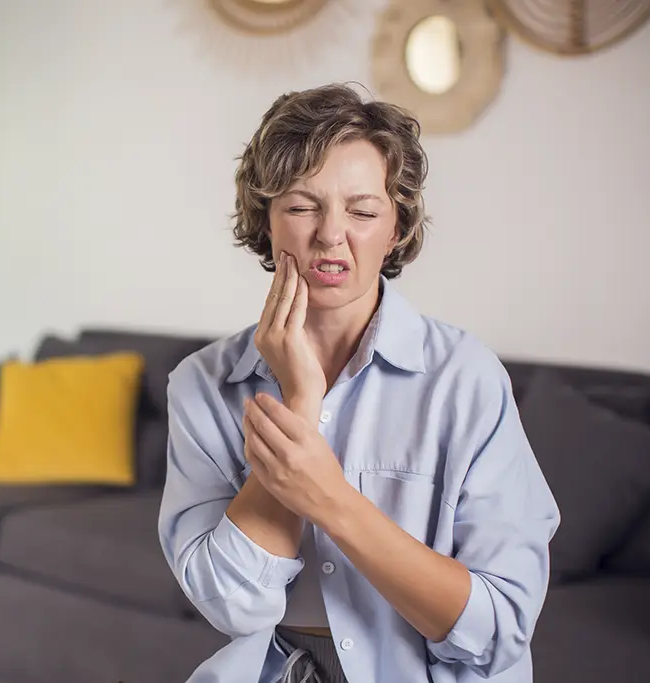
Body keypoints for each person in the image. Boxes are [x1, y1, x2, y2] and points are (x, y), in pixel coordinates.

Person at [157, 83, 560, 683]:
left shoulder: (465, 379)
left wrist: (329, 499)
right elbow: (232, 605)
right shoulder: (201, 386)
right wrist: (301, 399)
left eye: (363, 211)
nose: (330, 234)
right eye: (301, 206)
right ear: (265, 221)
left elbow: (497, 628)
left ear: (396, 228)